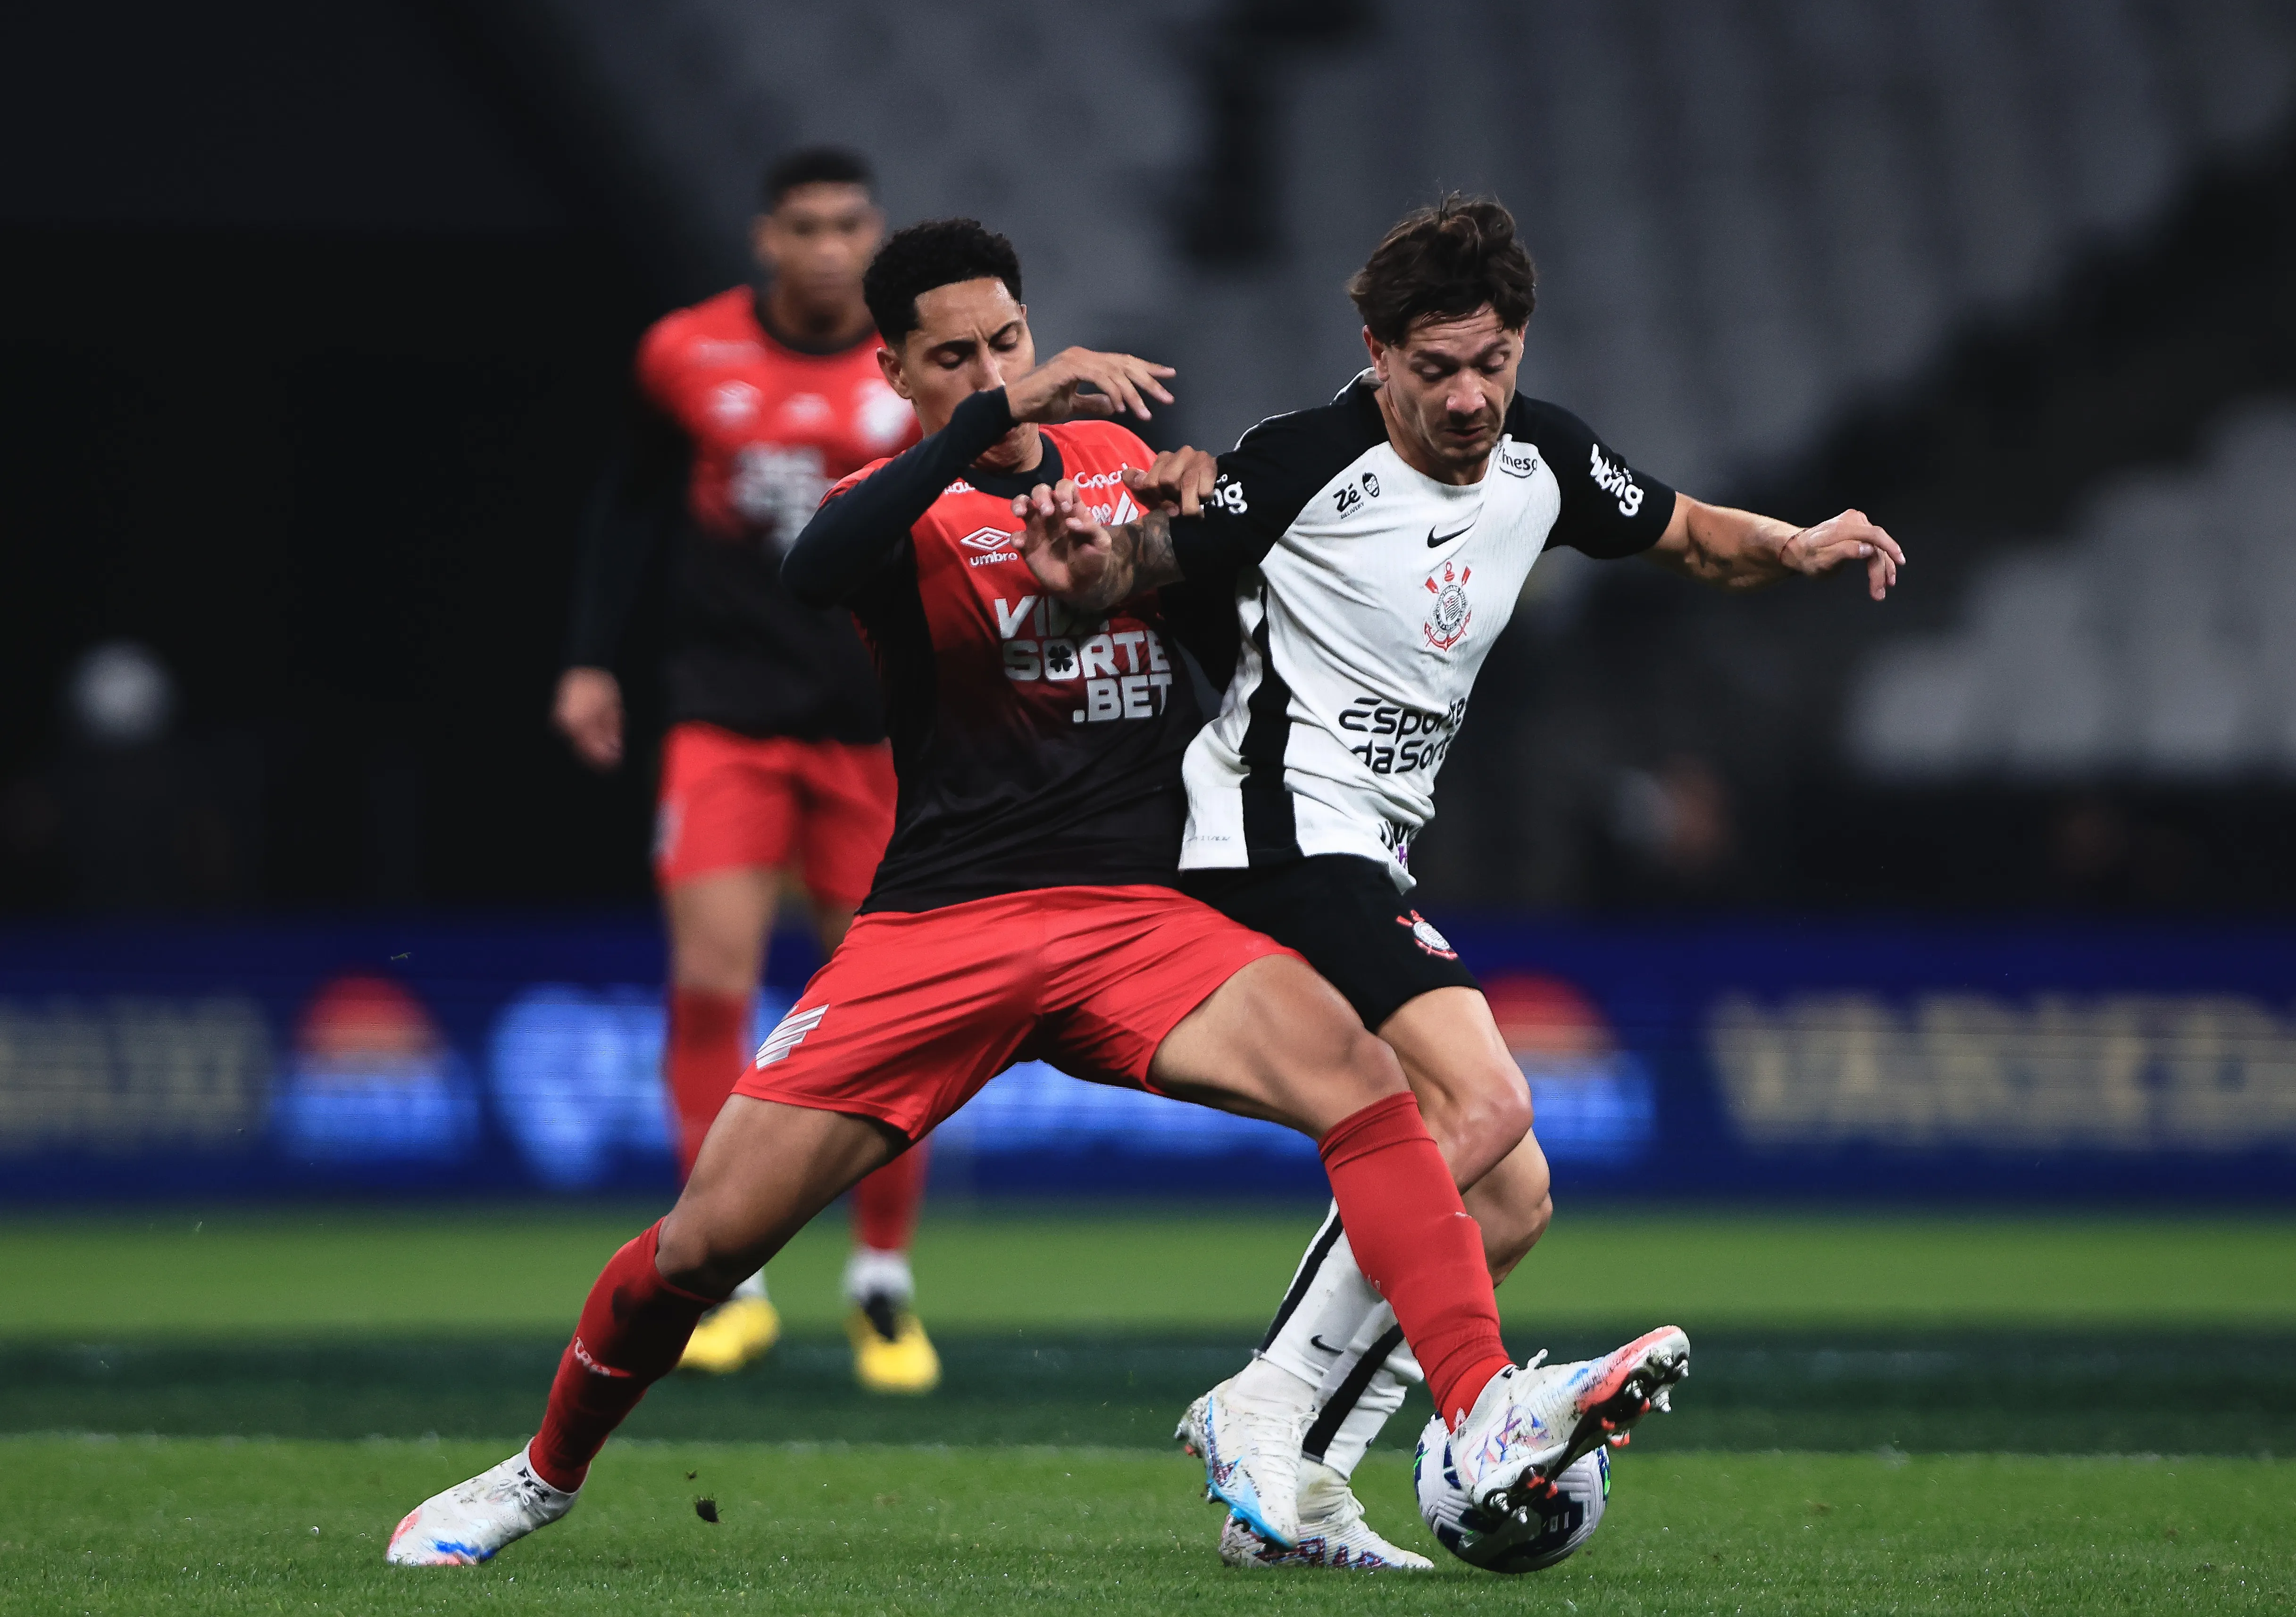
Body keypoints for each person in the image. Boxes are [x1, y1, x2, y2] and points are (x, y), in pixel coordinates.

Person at [388, 217, 1687, 1570]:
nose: (991, 369)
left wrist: (1194, 535)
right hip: (944, 926)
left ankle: (1469, 1412)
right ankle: (537, 1476)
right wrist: (987, 424)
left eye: (1005, 340)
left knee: (1374, 1088)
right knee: (700, 1247)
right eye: (951, 358)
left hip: (1138, 916)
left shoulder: (1121, 471)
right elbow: (810, 571)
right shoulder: (901, 501)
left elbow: (1226, 643)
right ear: (895, 371)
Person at [1010, 195, 1901, 1569]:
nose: (1471, 396)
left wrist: (1790, 545)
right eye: (1435, 369)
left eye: (1491, 362)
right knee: (1482, 1098)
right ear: (1374, 352)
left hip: (1369, 842)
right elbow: (1149, 556)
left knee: (1512, 1194)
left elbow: (1683, 532)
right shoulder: (1301, 461)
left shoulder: (1542, 456)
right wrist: (1091, 561)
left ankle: (1298, 1479)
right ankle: (1277, 1399)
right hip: (1275, 833)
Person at [553, 146, 937, 1389]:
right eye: (805, 226)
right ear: (766, 237)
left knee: (890, 1010)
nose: (829, 247)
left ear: (871, 234)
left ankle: (881, 1281)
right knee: (710, 982)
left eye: (848, 224)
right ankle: (725, 1271)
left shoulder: (915, 367)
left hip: (869, 727)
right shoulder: (683, 354)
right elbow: (628, 502)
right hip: (722, 713)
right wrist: (590, 661)